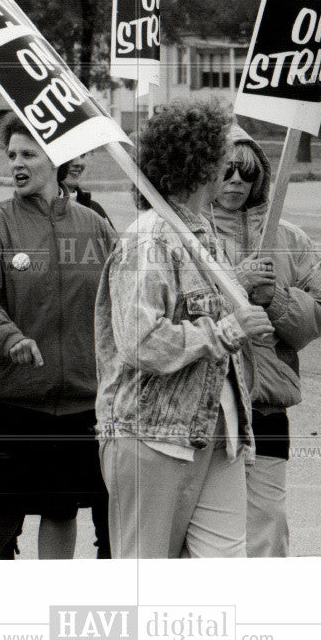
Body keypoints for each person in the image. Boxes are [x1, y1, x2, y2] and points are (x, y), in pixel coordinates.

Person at [95, 100, 275, 558]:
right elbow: (140, 341)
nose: (230, 169)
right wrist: (226, 331)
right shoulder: (149, 238)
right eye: (224, 157)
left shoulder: (203, 233)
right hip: (150, 434)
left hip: (218, 430)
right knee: (145, 574)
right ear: (202, 163)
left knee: (223, 569)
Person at [0, 117, 116, 559]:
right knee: (2, 508)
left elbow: (118, 298)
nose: (17, 165)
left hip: (78, 398)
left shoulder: (94, 225)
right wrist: (10, 339)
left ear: (55, 159)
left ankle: (50, 598)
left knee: (61, 509)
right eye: (12, 156)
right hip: (8, 397)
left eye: (29, 155)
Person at [210, 124, 321, 557]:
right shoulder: (185, 233)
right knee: (210, 529)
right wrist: (237, 284)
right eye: (226, 170)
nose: (235, 182)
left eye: (247, 174)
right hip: (206, 405)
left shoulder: (288, 238)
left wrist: (276, 300)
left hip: (266, 405)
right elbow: (170, 311)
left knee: (268, 523)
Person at [57, 152, 111, 225]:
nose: (79, 162)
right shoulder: (40, 213)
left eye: (82, 155)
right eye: (70, 155)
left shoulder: (95, 209)